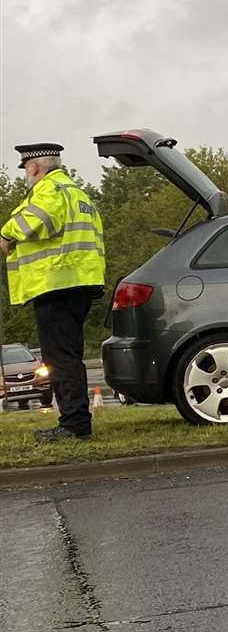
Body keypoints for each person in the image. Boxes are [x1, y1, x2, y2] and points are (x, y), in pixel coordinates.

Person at [1, 143, 106, 442]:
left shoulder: (50, 189)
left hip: (56, 285)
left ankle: (74, 425)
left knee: (60, 358)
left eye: (26, 169)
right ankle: (75, 421)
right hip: (79, 283)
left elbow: (34, 220)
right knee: (69, 356)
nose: (26, 175)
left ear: (34, 167)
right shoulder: (78, 194)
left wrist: (6, 233)